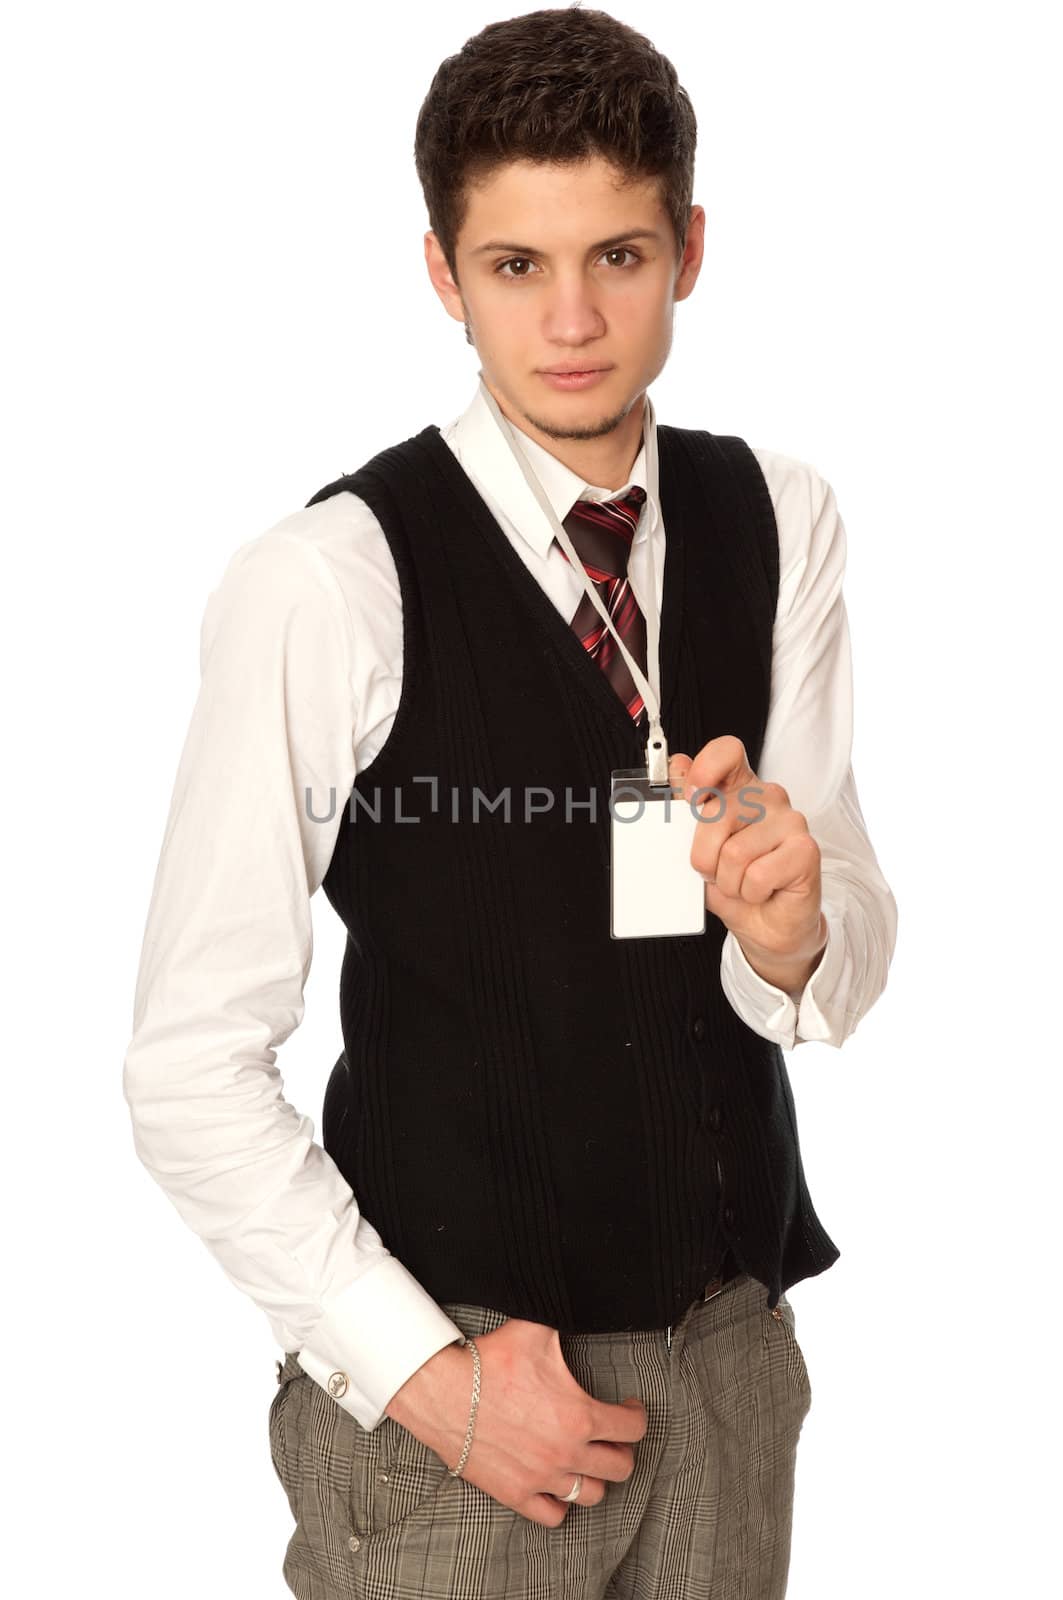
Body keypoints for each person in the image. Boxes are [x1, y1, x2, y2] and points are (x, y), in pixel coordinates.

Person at [122, 7, 898, 1598]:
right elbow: (187, 1061)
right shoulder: (328, 581)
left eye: (616, 257)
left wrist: (797, 931)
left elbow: (828, 951)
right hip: (464, 1407)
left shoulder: (782, 520)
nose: (570, 323)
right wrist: (424, 1378)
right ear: (440, 272)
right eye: (514, 267)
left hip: (733, 1368)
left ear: (690, 247)